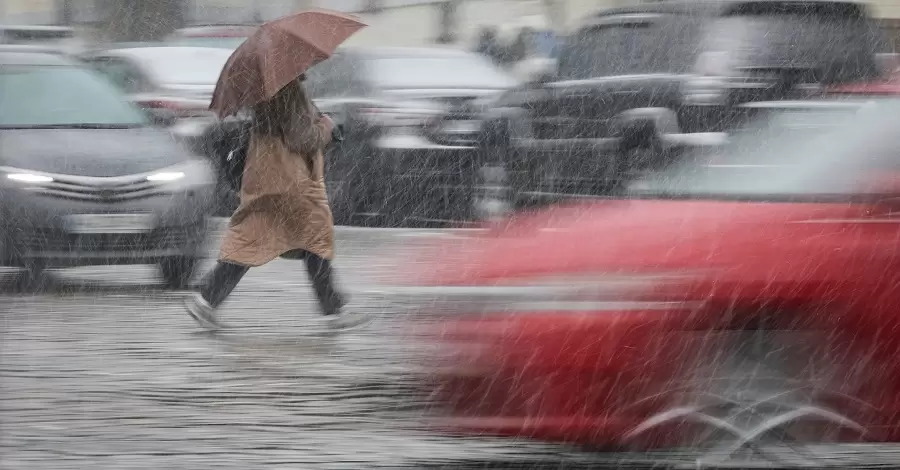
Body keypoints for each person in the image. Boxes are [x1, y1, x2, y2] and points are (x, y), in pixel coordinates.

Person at [184, 74, 370, 332]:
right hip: (290, 180)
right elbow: (301, 138)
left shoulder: (267, 87)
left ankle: (207, 298)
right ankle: (333, 310)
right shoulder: (288, 89)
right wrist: (325, 129)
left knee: (256, 237)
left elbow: (287, 132)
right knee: (312, 236)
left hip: (267, 173)